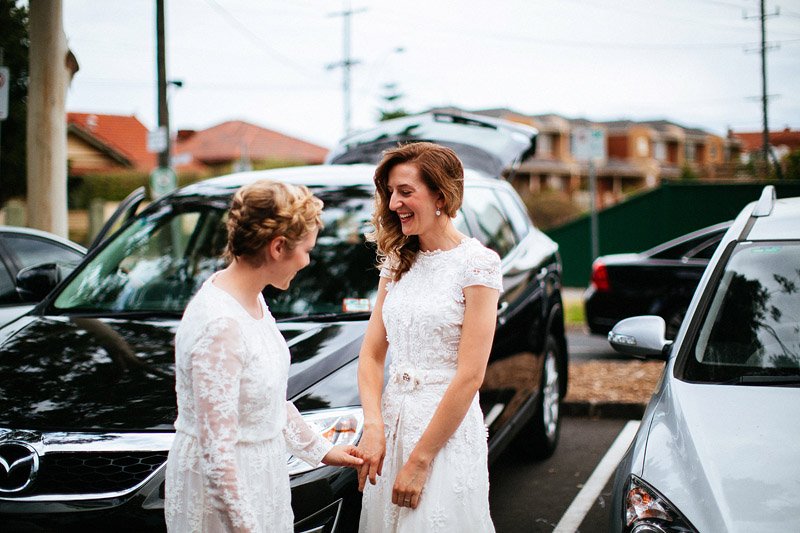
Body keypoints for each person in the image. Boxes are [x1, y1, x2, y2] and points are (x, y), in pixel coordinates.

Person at [165, 179, 363, 532]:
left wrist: (322, 450)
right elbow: (217, 456)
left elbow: (266, 396)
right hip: (226, 498)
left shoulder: (250, 298)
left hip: (262, 476)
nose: (307, 260)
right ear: (277, 247)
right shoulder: (220, 324)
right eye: (306, 249)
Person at [356, 142, 501, 532]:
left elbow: (471, 375)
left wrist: (421, 460)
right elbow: (371, 355)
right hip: (392, 424)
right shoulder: (396, 262)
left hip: (444, 435)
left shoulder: (478, 264)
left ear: (440, 195)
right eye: (389, 193)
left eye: (405, 192)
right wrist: (373, 427)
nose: (392, 204)